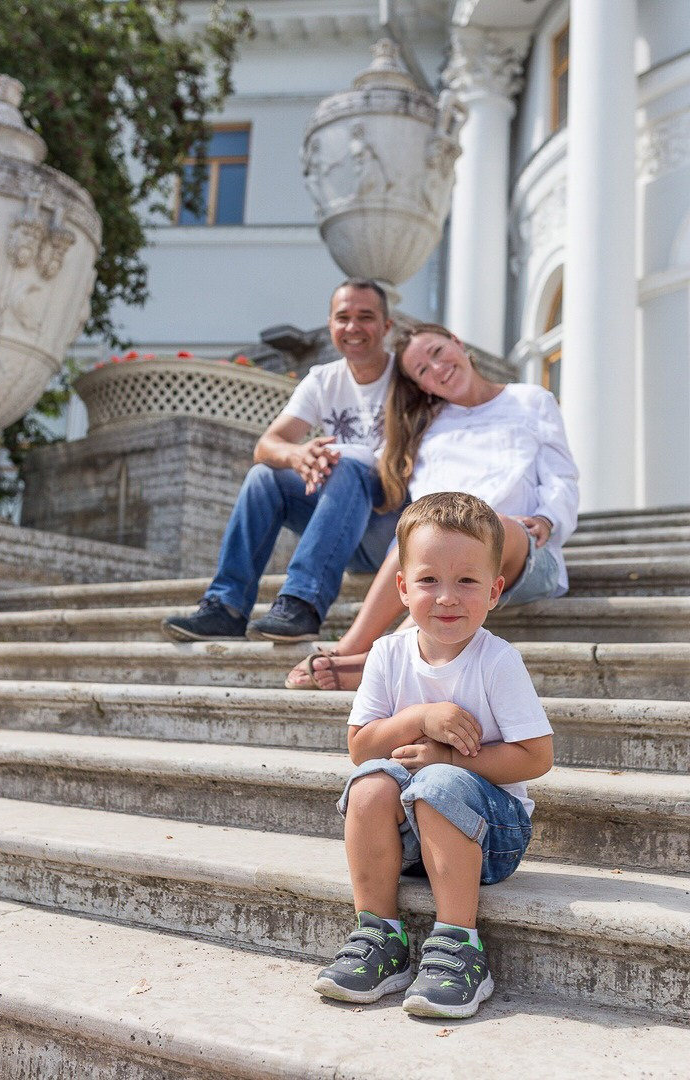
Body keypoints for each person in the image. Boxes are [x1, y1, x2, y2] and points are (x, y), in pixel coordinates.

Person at [313, 492, 554, 1018]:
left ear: (494, 591)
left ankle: (459, 948)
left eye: (467, 581)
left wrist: (454, 759)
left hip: (491, 834)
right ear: (402, 588)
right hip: (410, 838)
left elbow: (536, 756)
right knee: (372, 782)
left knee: (439, 784)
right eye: (428, 581)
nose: (447, 597)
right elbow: (360, 746)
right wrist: (422, 718)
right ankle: (380, 937)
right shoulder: (387, 653)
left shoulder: (497, 661)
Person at [286, 323, 579, 689]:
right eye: (423, 370)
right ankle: (348, 650)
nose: (437, 368)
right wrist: (313, 455)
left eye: (438, 353)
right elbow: (374, 461)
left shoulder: (531, 400)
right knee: (419, 534)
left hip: (524, 550)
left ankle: (386, 658)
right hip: (443, 549)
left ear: (457, 342)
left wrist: (547, 519)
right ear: (423, 386)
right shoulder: (429, 424)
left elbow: (561, 478)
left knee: (490, 526)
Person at [162, 279, 402, 644]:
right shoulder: (323, 379)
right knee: (264, 476)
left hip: (390, 527)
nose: (353, 327)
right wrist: (299, 454)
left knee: (349, 465)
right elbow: (266, 444)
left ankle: (302, 603)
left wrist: (336, 458)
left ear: (386, 326)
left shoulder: (409, 377)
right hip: (338, 526)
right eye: (343, 317)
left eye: (365, 317)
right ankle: (226, 607)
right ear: (330, 325)